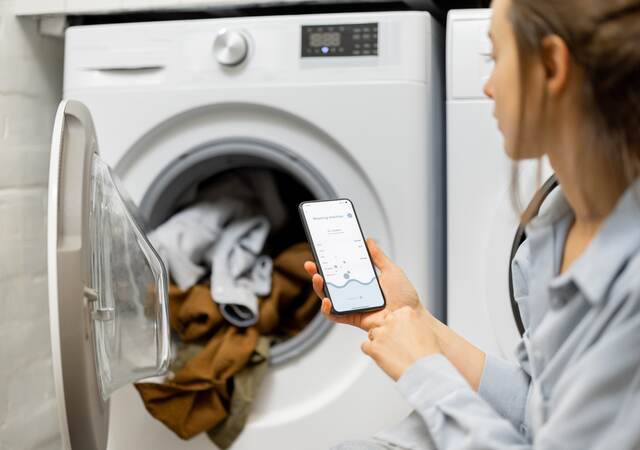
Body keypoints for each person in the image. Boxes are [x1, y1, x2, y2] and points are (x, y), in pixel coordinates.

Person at [304, 0, 640, 448]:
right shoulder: (549, 238)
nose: (487, 86)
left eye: (496, 58)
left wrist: (424, 370)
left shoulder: (630, 284)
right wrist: (413, 320)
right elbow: (536, 409)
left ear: (552, 66)